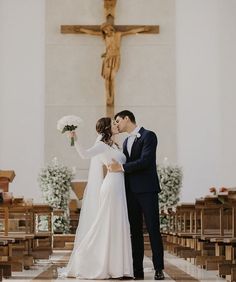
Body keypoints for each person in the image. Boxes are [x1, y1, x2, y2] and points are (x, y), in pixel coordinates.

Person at [58, 117, 133, 279]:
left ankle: (117, 267)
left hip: (119, 187)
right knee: (106, 222)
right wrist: (74, 139)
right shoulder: (101, 145)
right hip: (111, 186)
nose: (116, 125)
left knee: (117, 223)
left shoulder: (115, 145)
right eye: (113, 123)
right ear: (106, 128)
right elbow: (85, 154)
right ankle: (85, 255)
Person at [108, 110, 165, 280]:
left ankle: (158, 269)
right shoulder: (125, 142)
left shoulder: (149, 136)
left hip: (147, 190)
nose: (117, 124)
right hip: (130, 192)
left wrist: (122, 168)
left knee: (154, 229)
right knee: (135, 231)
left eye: (118, 121)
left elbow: (146, 161)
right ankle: (137, 270)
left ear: (127, 118)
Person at [77, 23, 149, 106]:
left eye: (106, 29)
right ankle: (108, 95)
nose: (106, 31)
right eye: (104, 30)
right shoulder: (105, 37)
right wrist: (81, 29)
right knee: (107, 78)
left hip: (116, 58)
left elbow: (131, 31)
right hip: (108, 58)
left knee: (112, 77)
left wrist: (143, 29)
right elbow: (92, 32)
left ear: (110, 28)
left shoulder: (118, 34)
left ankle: (112, 96)